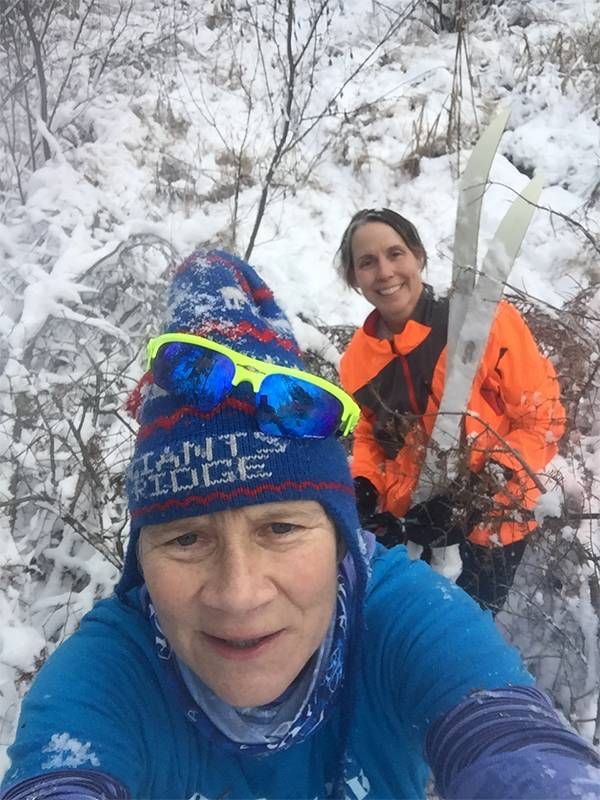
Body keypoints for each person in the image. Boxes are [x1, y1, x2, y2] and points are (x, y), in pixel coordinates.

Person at [1, 249, 595, 800]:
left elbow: (512, 741)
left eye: (280, 528)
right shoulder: (107, 677)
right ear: (140, 561)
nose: (239, 593)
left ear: (340, 536)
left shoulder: (403, 619)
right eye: (185, 537)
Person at [337, 208, 566, 614]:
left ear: (419, 256)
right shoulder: (357, 358)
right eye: (367, 262)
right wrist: (366, 484)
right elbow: (370, 434)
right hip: (414, 526)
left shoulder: (481, 320)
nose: (385, 271)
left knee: (465, 640)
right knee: (413, 637)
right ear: (354, 277)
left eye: (396, 253)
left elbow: (542, 419)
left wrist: (473, 498)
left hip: (494, 526)